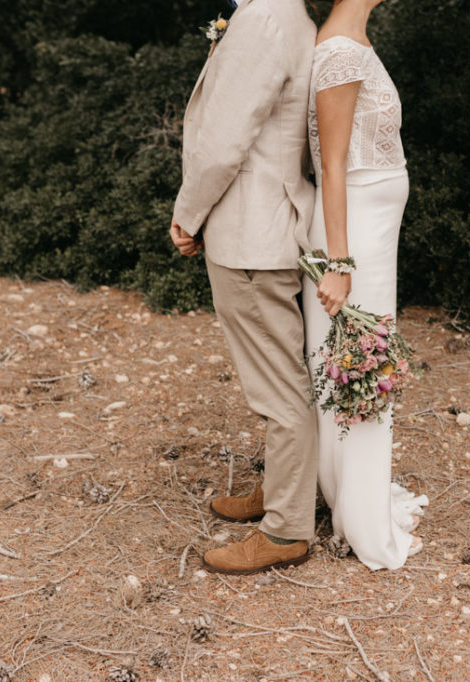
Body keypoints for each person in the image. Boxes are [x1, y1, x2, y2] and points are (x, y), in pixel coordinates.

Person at [170, 0, 319, 575]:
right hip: (263, 223)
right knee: (277, 375)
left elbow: (224, 140)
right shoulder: (289, 16)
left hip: (252, 232)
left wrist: (189, 214)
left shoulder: (266, 17)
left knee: (280, 388)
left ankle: (286, 528)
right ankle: (285, 490)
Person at [302, 0, 428, 570]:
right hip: (356, 235)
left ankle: (354, 498)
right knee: (359, 363)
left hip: (372, 227)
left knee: (357, 363)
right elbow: (331, 166)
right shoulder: (338, 51)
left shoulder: (349, 41)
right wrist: (340, 261)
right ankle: (360, 518)